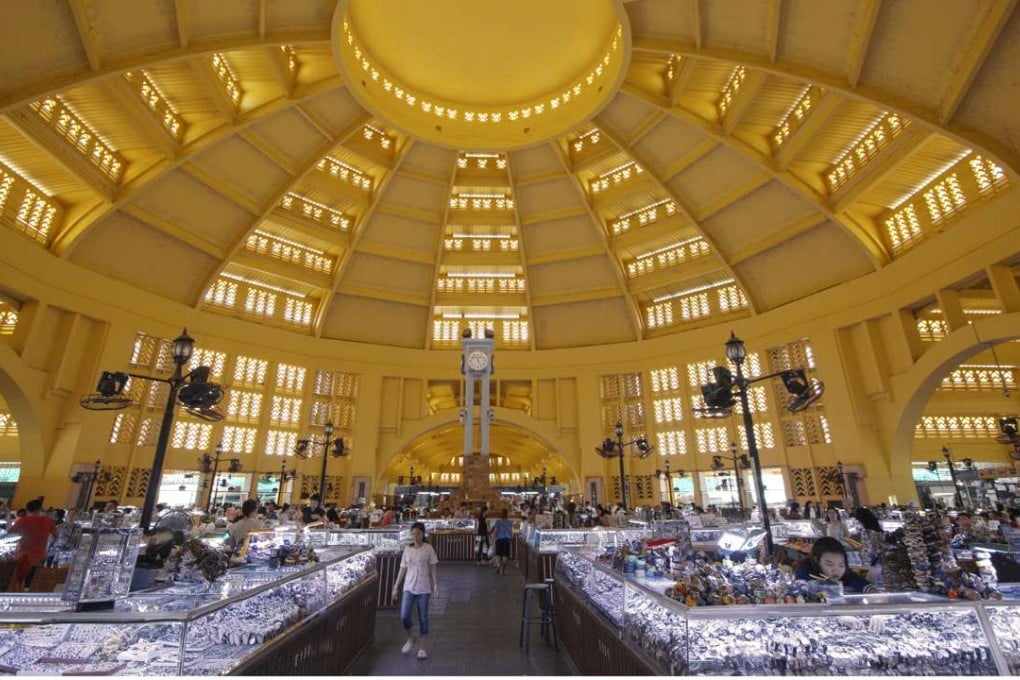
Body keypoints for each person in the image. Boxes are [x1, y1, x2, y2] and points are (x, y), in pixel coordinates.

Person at [391, 521, 439, 660]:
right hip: (409, 587)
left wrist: (436, 584)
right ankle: (411, 637)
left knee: (423, 616)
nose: (415, 536)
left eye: (418, 533)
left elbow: (433, 567)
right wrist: (395, 587)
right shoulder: (407, 549)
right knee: (404, 616)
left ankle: (422, 647)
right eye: (413, 534)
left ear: (423, 534)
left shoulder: (428, 548)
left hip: (424, 587)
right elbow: (403, 568)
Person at [795, 536, 875, 593]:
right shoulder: (804, 571)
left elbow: (856, 580)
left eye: (841, 565)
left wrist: (872, 592)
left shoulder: (846, 574)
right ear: (817, 560)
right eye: (829, 564)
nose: (836, 570)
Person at [8, 499, 57, 591]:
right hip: (40, 558)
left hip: (23, 558)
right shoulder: (48, 521)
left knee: (19, 584)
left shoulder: (22, 521)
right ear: (40, 509)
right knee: (33, 585)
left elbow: (10, 535)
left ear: (27, 510)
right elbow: (56, 537)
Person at [490, 509, 514, 574]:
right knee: (505, 555)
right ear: (507, 515)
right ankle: (502, 568)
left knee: (498, 554)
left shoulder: (498, 522)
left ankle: (499, 565)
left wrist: (491, 540)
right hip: (506, 539)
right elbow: (511, 532)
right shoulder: (510, 522)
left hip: (499, 539)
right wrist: (512, 538)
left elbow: (495, 532)